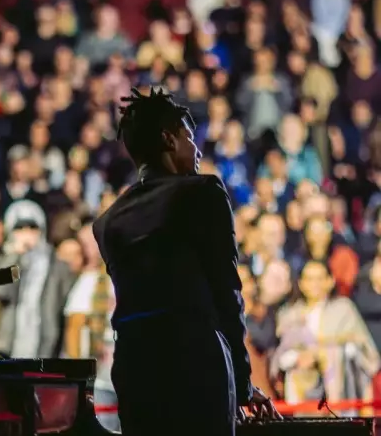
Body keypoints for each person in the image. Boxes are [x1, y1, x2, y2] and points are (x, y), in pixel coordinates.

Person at [92, 87, 281, 435]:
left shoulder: (106, 223)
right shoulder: (202, 192)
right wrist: (241, 381)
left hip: (134, 366)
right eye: (188, 137)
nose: (196, 150)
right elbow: (226, 290)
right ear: (168, 139)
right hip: (195, 361)